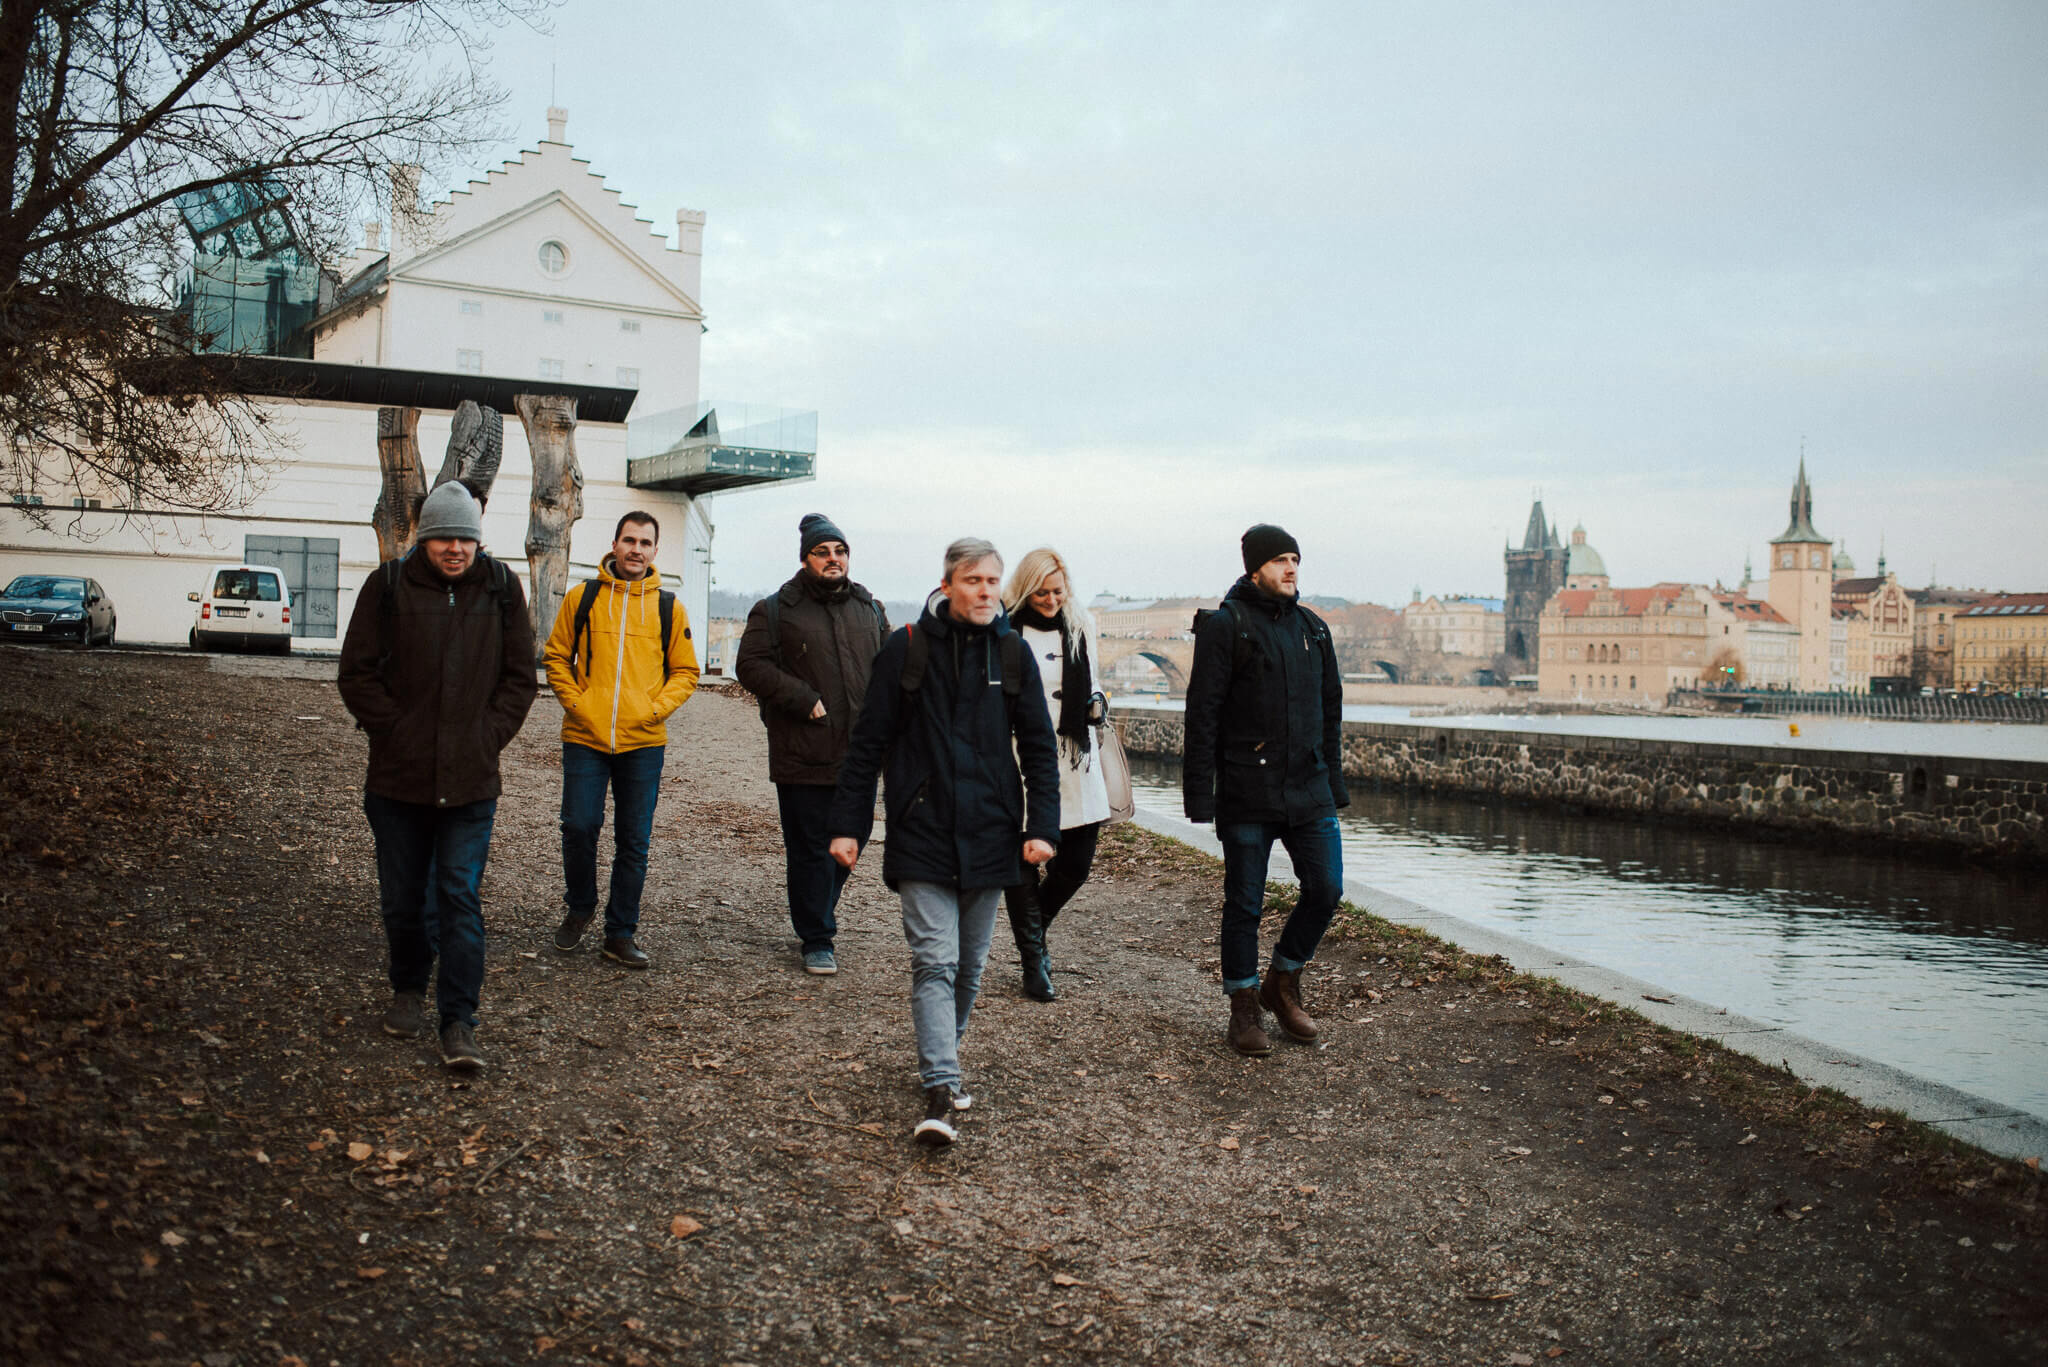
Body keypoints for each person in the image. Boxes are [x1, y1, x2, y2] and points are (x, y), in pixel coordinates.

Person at [827, 539, 1061, 1147]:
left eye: (992, 581)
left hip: (992, 832)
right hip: (922, 829)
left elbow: (1040, 749)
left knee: (970, 968)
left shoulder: (1011, 652)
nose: (984, 591)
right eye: (972, 580)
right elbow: (867, 745)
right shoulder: (906, 648)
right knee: (935, 960)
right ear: (948, 584)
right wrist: (849, 825)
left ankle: (942, 1061)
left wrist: (1042, 828)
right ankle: (941, 1087)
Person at [338, 482, 538, 1070]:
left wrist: (486, 736)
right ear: (424, 539)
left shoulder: (501, 588)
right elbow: (356, 673)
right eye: (445, 537)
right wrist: (396, 731)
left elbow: (519, 679)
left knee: (457, 896)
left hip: (470, 783)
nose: (456, 548)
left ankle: (458, 1020)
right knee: (403, 897)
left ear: (478, 539)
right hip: (397, 781)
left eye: (465, 538)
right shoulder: (388, 586)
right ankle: (407, 987)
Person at [1182, 523, 1348, 1058]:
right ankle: (1243, 1008)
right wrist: (1200, 797)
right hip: (1246, 788)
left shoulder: (1314, 629)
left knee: (1326, 889)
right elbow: (1202, 716)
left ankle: (1283, 979)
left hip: (1308, 787)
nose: (1291, 568)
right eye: (1280, 560)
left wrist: (1333, 782)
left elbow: (1330, 712)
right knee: (1245, 904)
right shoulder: (1225, 626)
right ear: (1255, 568)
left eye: (1295, 558)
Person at [542, 511, 700, 968]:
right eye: (629, 540)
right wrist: (579, 705)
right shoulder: (584, 597)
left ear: (655, 551)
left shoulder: (669, 607)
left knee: (634, 840)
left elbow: (686, 671)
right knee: (578, 825)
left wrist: (653, 710)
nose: (636, 549)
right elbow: (556, 657)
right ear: (614, 545)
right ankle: (580, 906)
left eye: (645, 543)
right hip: (585, 737)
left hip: (643, 743)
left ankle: (620, 932)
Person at [733, 514, 889, 976]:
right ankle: (817, 937)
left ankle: (816, 906)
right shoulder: (776, 609)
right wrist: (802, 698)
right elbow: (750, 665)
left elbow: (890, 669)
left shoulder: (869, 607)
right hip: (803, 749)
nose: (833, 559)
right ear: (805, 559)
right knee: (809, 848)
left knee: (854, 838)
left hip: (859, 754)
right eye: (823, 552)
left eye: (840, 551)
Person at [1000, 547, 1111, 1002]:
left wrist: (1097, 702)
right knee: (1023, 860)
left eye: (1058, 592)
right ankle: (1033, 961)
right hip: (1020, 757)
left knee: (1076, 863)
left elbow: (1095, 680)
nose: (1050, 601)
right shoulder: (1006, 630)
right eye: (1041, 593)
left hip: (1075, 757)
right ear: (1026, 590)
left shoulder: (1081, 624)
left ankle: (1035, 929)